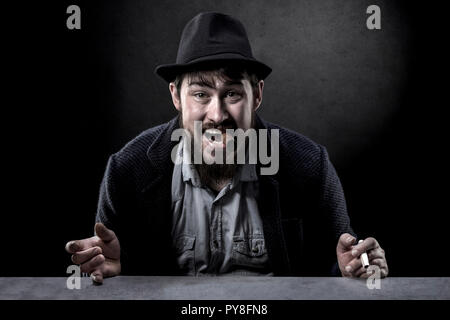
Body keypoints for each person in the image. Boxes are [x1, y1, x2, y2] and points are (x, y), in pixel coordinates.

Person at [65, 12, 388, 283]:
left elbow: (339, 265)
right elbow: (108, 270)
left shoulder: (308, 165)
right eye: (201, 94)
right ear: (176, 96)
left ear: (257, 95)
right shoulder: (127, 170)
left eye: (232, 93)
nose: (217, 115)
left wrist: (353, 269)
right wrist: (113, 274)